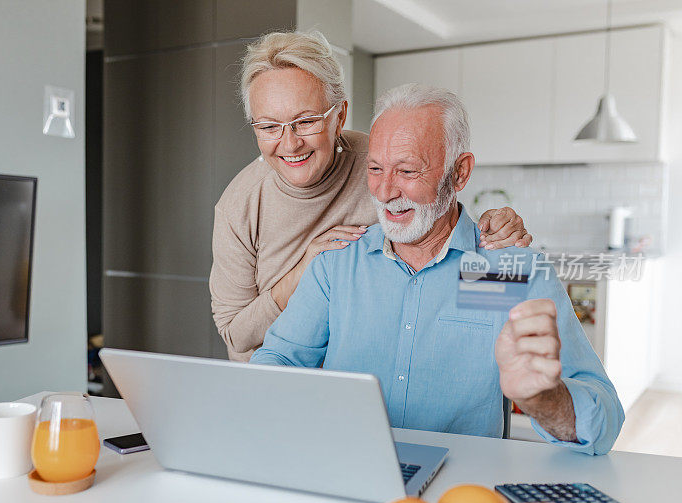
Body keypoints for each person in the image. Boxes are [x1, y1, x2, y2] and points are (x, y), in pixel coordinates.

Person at [250, 83, 624, 456]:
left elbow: (604, 425)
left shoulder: (501, 269)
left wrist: (545, 398)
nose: (384, 191)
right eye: (376, 169)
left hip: (463, 493)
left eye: (408, 171)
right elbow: (276, 361)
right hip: (348, 470)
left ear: (459, 173)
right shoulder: (338, 262)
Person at [210, 31, 532, 362]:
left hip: (374, 377)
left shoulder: (381, 159)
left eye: (305, 121)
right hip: (274, 383)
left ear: (339, 116)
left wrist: (492, 227)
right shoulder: (241, 204)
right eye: (268, 127)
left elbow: (444, 210)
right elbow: (237, 334)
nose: (290, 144)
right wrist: (305, 270)